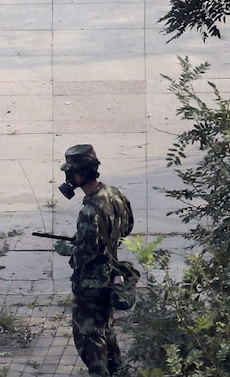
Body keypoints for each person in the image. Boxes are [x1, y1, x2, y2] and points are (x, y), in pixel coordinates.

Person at [54, 144, 134, 376]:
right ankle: (119, 371)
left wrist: (69, 249)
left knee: (89, 336)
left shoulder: (89, 211)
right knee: (106, 329)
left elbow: (86, 253)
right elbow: (126, 228)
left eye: (69, 173)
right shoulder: (115, 194)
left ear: (79, 174)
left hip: (91, 282)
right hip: (112, 272)